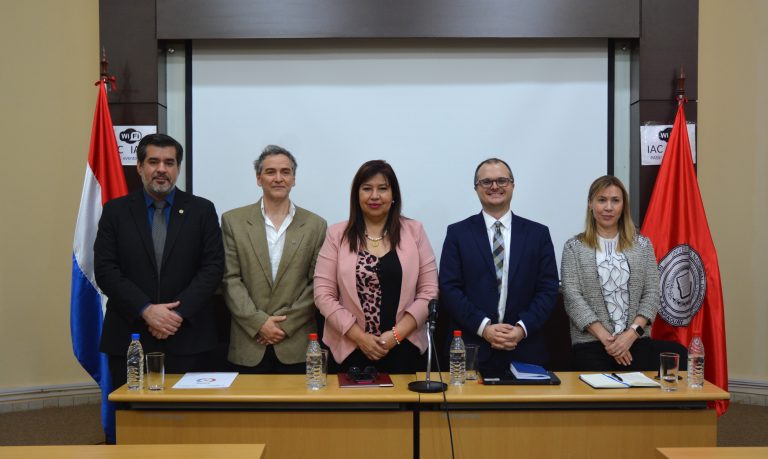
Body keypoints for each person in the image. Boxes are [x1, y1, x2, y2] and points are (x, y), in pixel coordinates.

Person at [94, 133, 225, 391]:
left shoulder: (202, 210)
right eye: (154, 162)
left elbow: (212, 268)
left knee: (188, 421)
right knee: (132, 418)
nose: (161, 169)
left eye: (169, 162)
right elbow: (106, 269)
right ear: (140, 167)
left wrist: (175, 314)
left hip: (188, 335)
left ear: (178, 168)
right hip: (130, 336)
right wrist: (146, 309)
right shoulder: (115, 211)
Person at [314, 160, 438, 374]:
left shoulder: (414, 231)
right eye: (367, 189)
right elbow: (323, 295)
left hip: (404, 347)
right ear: (356, 195)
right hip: (349, 347)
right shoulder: (337, 235)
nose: (375, 196)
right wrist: (360, 338)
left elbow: (429, 291)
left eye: (383, 188)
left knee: (404, 408)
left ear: (393, 196)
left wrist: (396, 335)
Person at [439, 158, 559, 370]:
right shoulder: (457, 234)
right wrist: (484, 327)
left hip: (524, 349)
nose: (495, 186)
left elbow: (548, 290)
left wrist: (521, 329)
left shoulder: (538, 234)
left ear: (513, 185)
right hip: (471, 350)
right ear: (476, 188)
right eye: (486, 182)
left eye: (502, 180)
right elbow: (449, 289)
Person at [561, 175, 687, 371]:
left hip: (636, 341)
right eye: (602, 200)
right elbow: (572, 297)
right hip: (591, 345)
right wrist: (609, 341)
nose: (608, 207)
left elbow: (652, 293)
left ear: (623, 206)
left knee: (679, 357)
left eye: (615, 201)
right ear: (590, 204)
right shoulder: (574, 247)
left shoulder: (642, 245)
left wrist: (630, 335)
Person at [221, 145, 327, 373]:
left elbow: (316, 284)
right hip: (248, 343)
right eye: (270, 172)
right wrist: (259, 323)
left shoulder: (316, 225)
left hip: (297, 344)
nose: (278, 178)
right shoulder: (233, 221)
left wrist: (284, 326)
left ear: (294, 179)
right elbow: (230, 280)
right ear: (258, 178)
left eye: (285, 172)